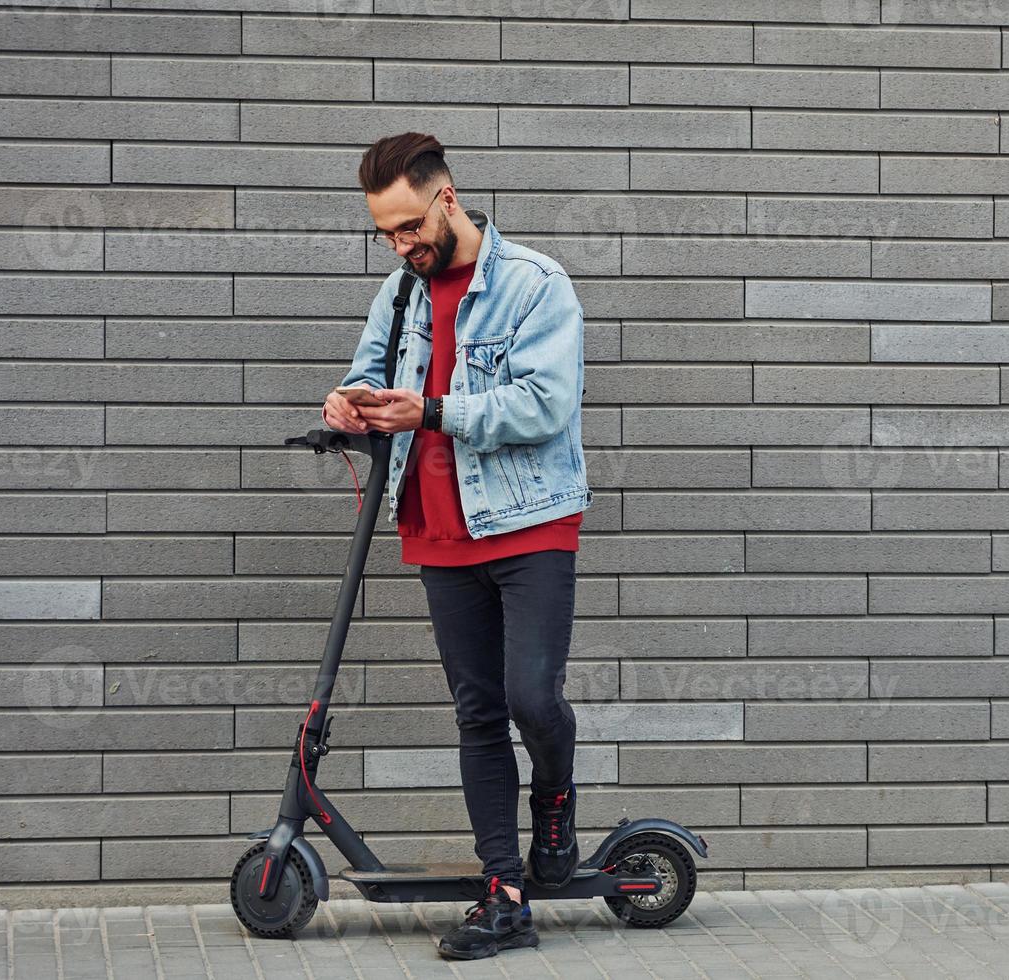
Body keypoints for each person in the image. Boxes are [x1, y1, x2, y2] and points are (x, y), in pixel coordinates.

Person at [321, 132, 593, 961]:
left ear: (446, 197)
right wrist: (346, 402)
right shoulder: (399, 292)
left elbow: (544, 406)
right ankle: (504, 895)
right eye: (385, 234)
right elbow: (370, 373)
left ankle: (554, 794)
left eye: (407, 227)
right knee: (477, 713)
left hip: (529, 525)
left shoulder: (535, 284)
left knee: (531, 700)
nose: (401, 246)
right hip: (436, 530)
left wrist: (432, 411)